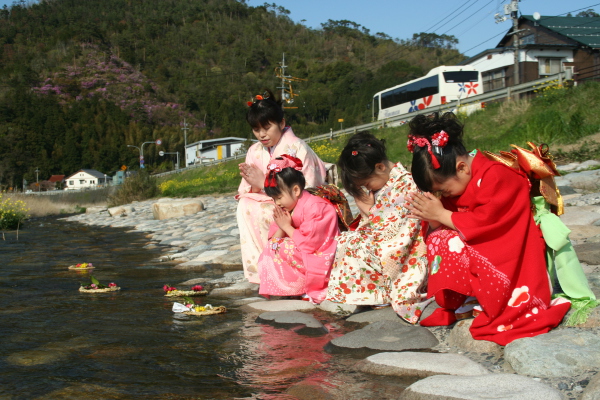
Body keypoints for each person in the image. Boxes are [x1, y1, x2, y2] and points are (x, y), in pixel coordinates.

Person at [404, 112, 571, 345]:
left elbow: (493, 224)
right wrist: (433, 219)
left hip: (511, 243)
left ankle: (489, 297)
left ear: (462, 168)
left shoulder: (497, 175)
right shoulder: (463, 179)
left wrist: (442, 214)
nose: (446, 196)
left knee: (448, 239)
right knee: (438, 238)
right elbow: (451, 222)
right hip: (481, 240)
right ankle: (468, 296)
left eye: (446, 191)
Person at [325, 132, 431, 324]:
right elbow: (381, 220)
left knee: (355, 242)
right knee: (347, 240)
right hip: (387, 234)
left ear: (380, 167)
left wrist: (370, 214)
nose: (368, 189)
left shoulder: (407, 184)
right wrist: (370, 215)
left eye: (366, 184)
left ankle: (379, 294)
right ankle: (370, 295)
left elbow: (403, 227)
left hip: (406, 245)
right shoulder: (386, 184)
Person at [236, 89, 327, 284]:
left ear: (282, 123)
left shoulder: (298, 147)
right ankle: (262, 270)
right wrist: (253, 186)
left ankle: (287, 269)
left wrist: (263, 184)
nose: (261, 135)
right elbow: (245, 189)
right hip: (272, 199)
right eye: (256, 129)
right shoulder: (254, 151)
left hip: (298, 202)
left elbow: (309, 187)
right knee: (245, 205)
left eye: (267, 127)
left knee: (269, 210)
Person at [257, 155, 339, 304]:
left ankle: (306, 286)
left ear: (295, 190)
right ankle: (292, 288)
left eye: (279, 197)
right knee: (272, 247)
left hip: (323, 255)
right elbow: (273, 240)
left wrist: (287, 226)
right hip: (303, 250)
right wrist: (282, 226)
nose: (277, 203)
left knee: (282, 246)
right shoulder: (286, 207)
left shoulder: (316, 206)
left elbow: (311, 244)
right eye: (273, 199)